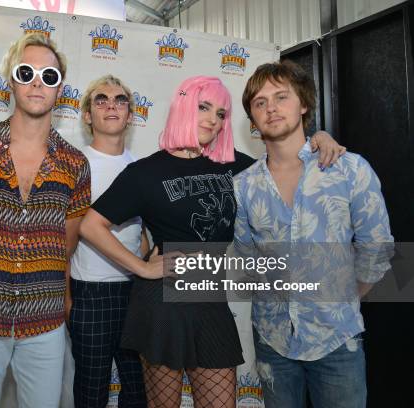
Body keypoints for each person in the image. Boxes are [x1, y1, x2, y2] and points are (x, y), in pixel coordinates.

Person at [80, 75, 345, 408]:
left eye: (221, 113)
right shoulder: (144, 172)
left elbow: (286, 159)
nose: (212, 119)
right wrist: (142, 269)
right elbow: (91, 226)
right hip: (163, 300)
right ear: (184, 106)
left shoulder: (232, 164)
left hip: (211, 298)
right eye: (204, 107)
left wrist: (318, 138)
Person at [0, 33, 91, 408]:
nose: (38, 82)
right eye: (27, 72)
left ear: (60, 88)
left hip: (45, 324)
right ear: (12, 79)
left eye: (49, 75)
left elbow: (65, 245)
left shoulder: (75, 164)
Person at [234, 60, 394, 408]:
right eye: (260, 102)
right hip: (272, 341)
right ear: (252, 117)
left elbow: (376, 247)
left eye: (281, 97)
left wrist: (346, 296)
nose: (271, 108)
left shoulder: (349, 169)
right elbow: (248, 258)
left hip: (337, 340)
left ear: (303, 104)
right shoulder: (243, 186)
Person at [68, 74, 147, 408]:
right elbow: (66, 234)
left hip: (136, 293)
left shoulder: (143, 168)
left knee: (139, 393)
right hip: (89, 294)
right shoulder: (73, 165)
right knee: (90, 393)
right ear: (88, 115)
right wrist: (67, 297)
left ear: (130, 115)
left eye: (120, 100)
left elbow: (144, 232)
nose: (111, 105)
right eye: (101, 99)